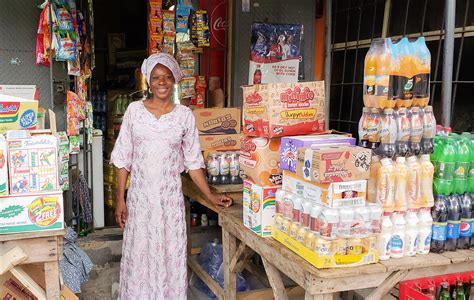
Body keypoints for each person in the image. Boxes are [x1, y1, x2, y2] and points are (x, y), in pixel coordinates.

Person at [111, 53, 233, 299]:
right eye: (156, 78)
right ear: (149, 81)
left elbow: (193, 162)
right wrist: (120, 199)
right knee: (140, 255)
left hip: (169, 203)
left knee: (169, 254)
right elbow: (123, 159)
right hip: (141, 202)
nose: (162, 82)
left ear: (175, 79)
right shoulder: (135, 112)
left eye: (167, 77)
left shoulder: (184, 116)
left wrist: (210, 194)